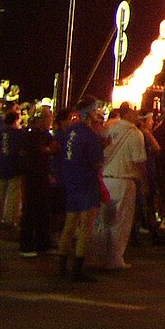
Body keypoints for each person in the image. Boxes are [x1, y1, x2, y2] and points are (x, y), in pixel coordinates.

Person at [87, 104, 148, 270]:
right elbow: (139, 161)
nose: (137, 115)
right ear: (127, 113)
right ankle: (114, 259)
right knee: (119, 222)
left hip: (105, 179)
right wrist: (144, 183)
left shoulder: (109, 127)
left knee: (102, 221)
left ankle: (96, 256)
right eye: (134, 112)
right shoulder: (135, 134)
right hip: (123, 181)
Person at [58, 98, 105, 281]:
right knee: (85, 226)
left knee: (70, 224)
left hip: (71, 181)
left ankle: (62, 265)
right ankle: (77, 268)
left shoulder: (70, 131)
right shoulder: (90, 135)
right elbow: (96, 162)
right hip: (86, 182)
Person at [17, 106, 57, 256]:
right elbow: (37, 153)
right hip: (33, 177)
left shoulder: (46, 135)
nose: (49, 121)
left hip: (43, 176)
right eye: (47, 118)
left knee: (43, 211)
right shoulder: (31, 135)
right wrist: (47, 150)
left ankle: (43, 243)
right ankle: (26, 245)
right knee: (30, 210)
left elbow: (52, 148)